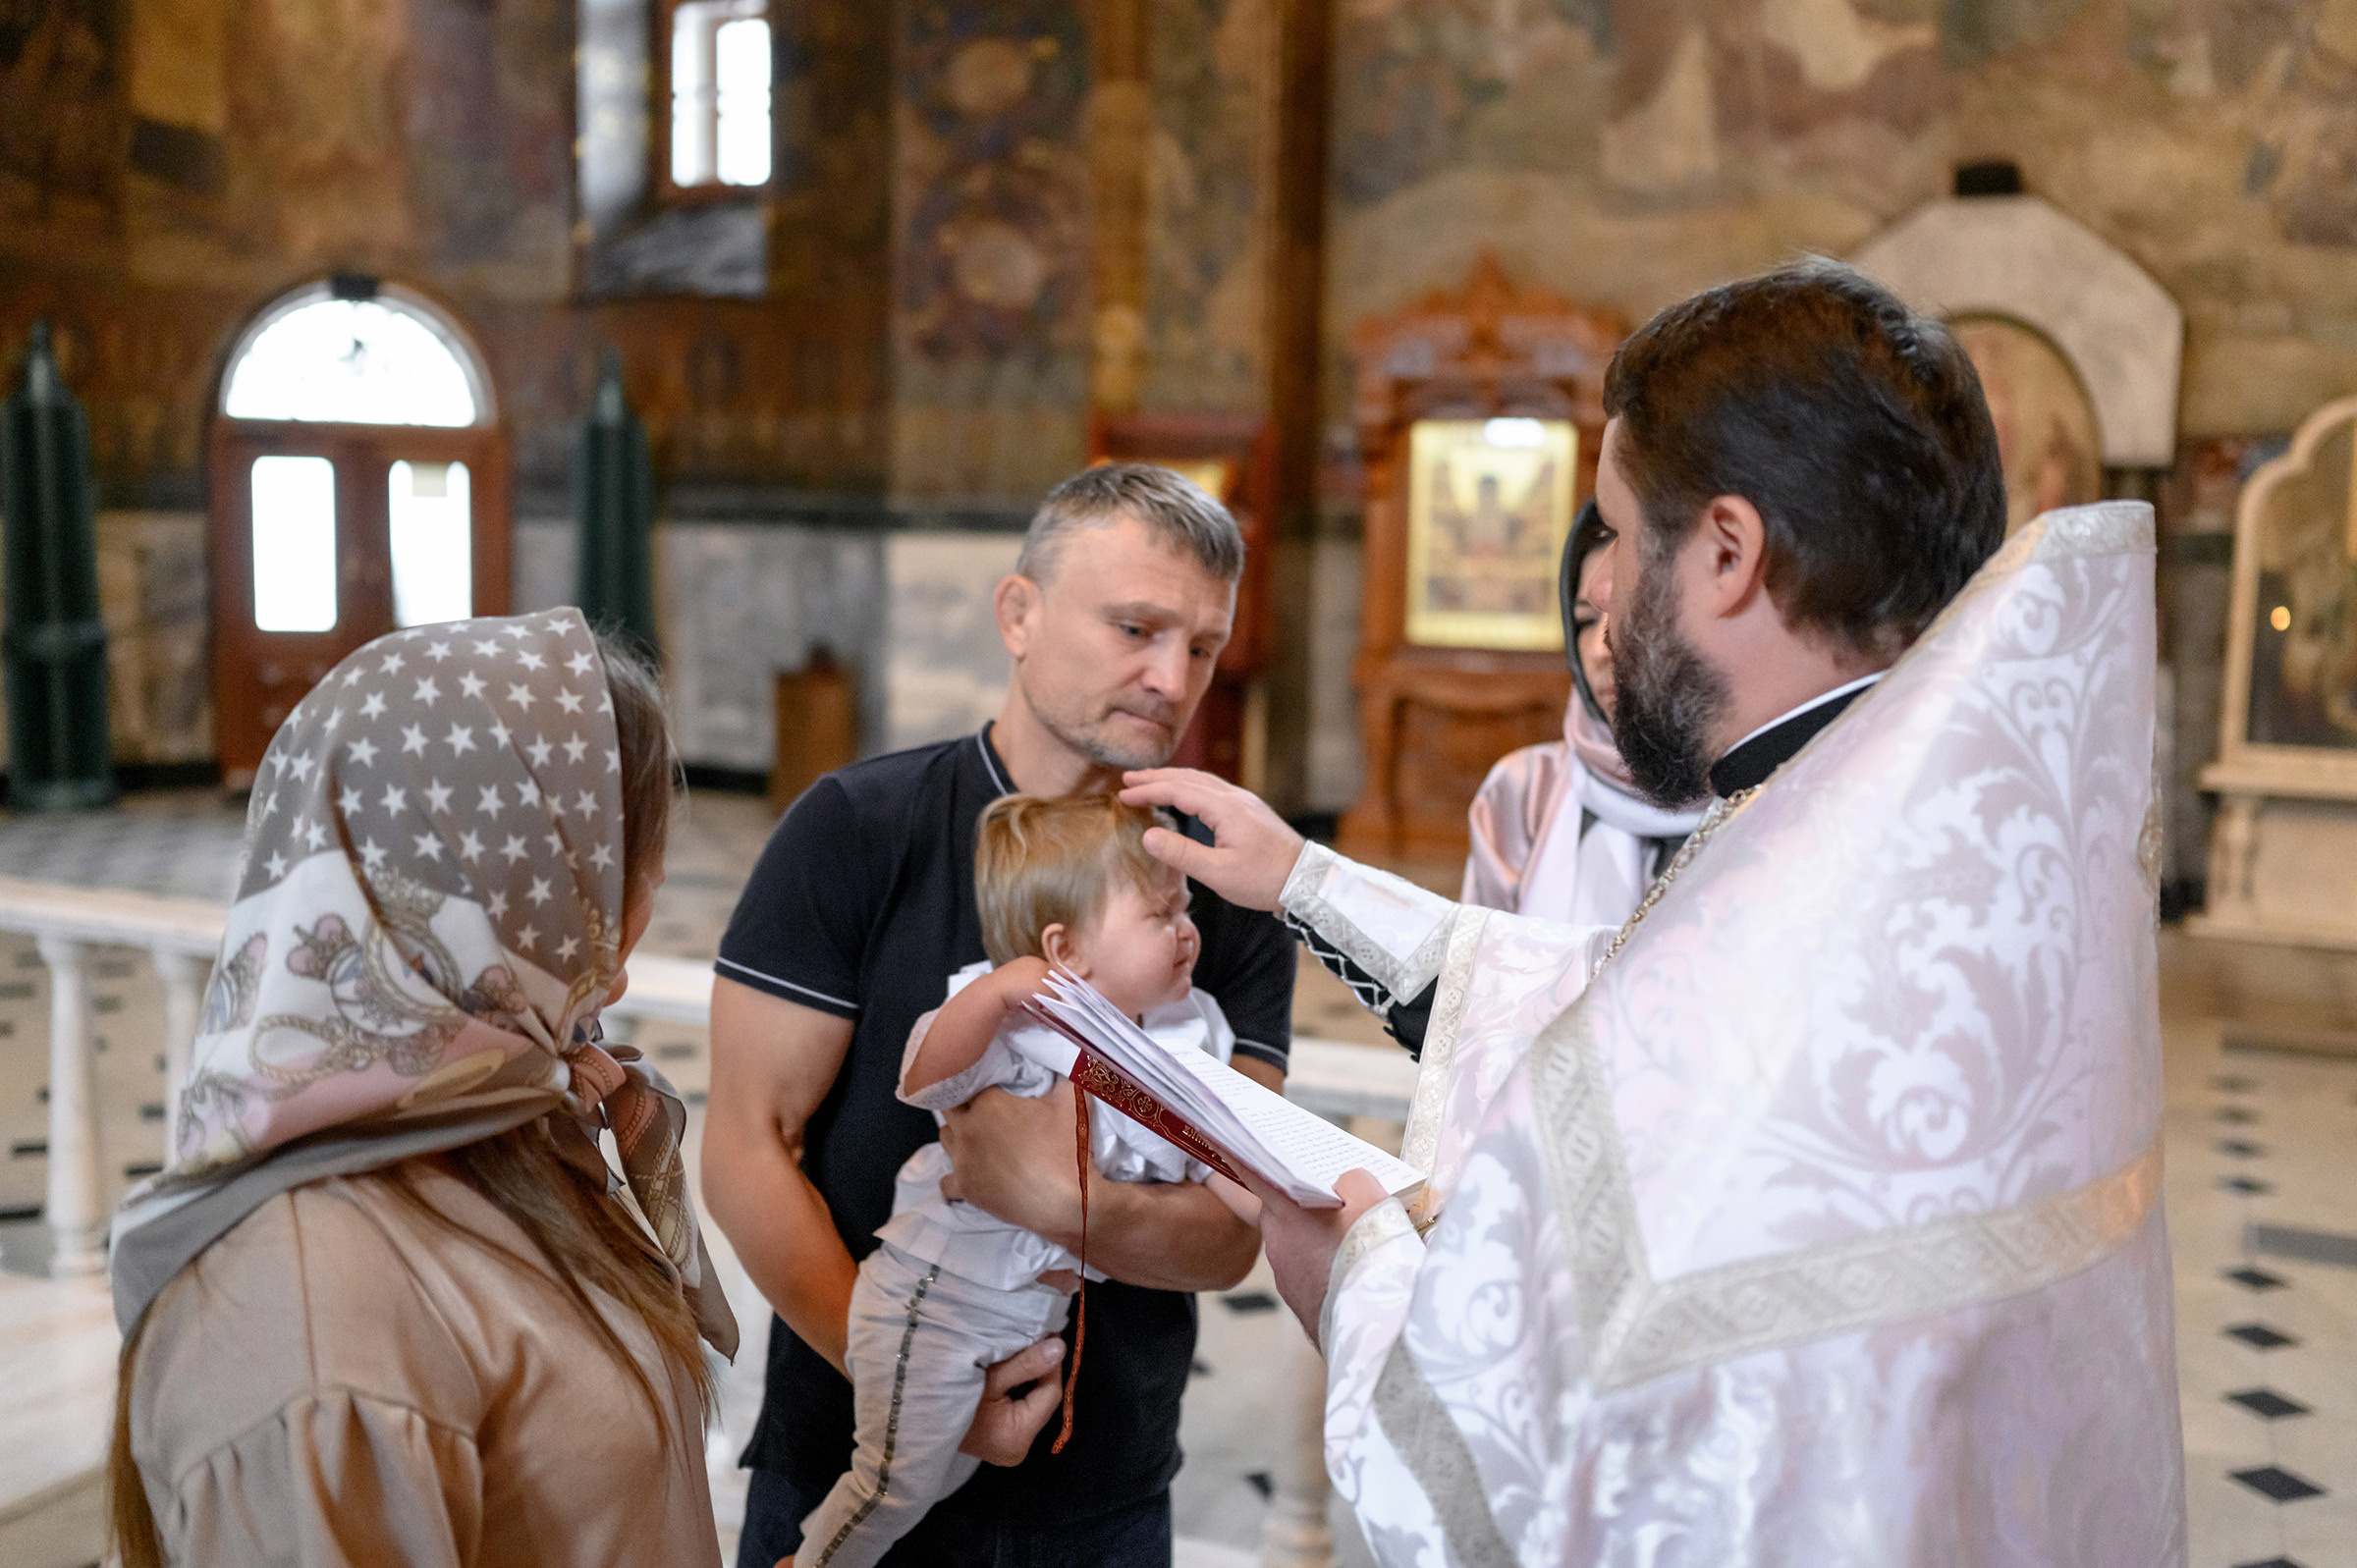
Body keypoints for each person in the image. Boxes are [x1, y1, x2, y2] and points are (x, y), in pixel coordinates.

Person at [1124, 261, 2186, 1564]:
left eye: (1620, 535)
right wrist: (1302, 877)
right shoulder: (1940, 850)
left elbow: (1504, 1490)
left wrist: (1343, 1269)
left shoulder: (1810, 896)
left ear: (1729, 554)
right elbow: (1619, 1002)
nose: (1603, 596)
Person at [703, 463, 1297, 1568]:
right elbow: (744, 1147)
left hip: (1103, 1492)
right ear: (1018, 614)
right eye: (1136, 626)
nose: (1172, 676)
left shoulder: (1223, 893)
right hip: (848, 1447)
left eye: (1203, 646)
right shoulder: (857, 826)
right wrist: (921, 1388)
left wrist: (1050, 1195)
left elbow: (1228, 1234)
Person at [105, 609, 739, 1568]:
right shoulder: (314, 1321)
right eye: (610, 852)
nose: (646, 885)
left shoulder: (510, 1122)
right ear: (517, 882)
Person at [796, 793, 1246, 1568]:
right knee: (891, 1488)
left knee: (935, 1476)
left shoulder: (1186, 1031)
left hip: (1019, 1320)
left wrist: (1287, 1200)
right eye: (1159, 912)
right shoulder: (1024, 1023)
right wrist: (996, 993)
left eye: (1187, 907)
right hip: (934, 1298)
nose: (1186, 929)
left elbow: (1227, 1161)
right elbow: (922, 1081)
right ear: (1065, 952)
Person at [1462, 498, 1704, 924]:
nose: (1598, 649)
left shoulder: (1760, 796)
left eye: (1629, 617)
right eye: (1584, 622)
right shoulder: (1524, 793)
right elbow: (1478, 975)